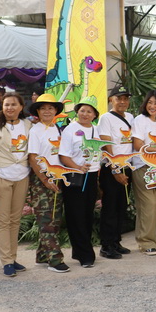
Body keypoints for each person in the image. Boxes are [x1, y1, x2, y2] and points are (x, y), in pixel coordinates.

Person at [0, 92, 32, 277]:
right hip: (2, 177)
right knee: (3, 220)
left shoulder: (28, 125)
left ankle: (13, 257)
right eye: (6, 105)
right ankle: (6, 261)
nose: (10, 108)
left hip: (22, 177)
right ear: (2, 107)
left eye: (13, 104)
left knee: (15, 219)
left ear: (21, 107)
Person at [26, 93, 70, 273]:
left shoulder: (58, 129)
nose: (47, 111)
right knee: (46, 220)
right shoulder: (35, 131)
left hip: (57, 177)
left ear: (55, 111)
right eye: (43, 108)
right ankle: (55, 259)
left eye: (50, 108)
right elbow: (32, 158)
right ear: (37, 111)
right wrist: (44, 180)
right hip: (41, 179)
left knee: (55, 218)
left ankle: (42, 256)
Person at [59, 95, 103, 267]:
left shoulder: (95, 130)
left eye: (89, 111)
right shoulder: (70, 129)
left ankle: (80, 251)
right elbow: (64, 156)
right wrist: (78, 167)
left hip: (91, 176)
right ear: (77, 112)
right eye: (82, 110)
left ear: (94, 115)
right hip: (75, 176)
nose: (85, 114)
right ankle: (86, 255)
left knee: (87, 215)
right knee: (76, 215)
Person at [97, 85, 136, 258]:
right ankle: (106, 245)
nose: (122, 102)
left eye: (125, 98)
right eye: (119, 98)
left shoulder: (130, 117)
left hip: (127, 167)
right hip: (112, 169)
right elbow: (106, 145)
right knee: (110, 207)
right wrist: (116, 170)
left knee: (122, 206)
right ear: (111, 100)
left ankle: (116, 241)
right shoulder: (106, 118)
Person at [132, 90, 156, 255]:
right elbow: (138, 145)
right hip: (143, 166)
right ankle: (147, 242)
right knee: (148, 205)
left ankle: (147, 239)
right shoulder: (140, 120)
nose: (152, 106)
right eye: (150, 102)